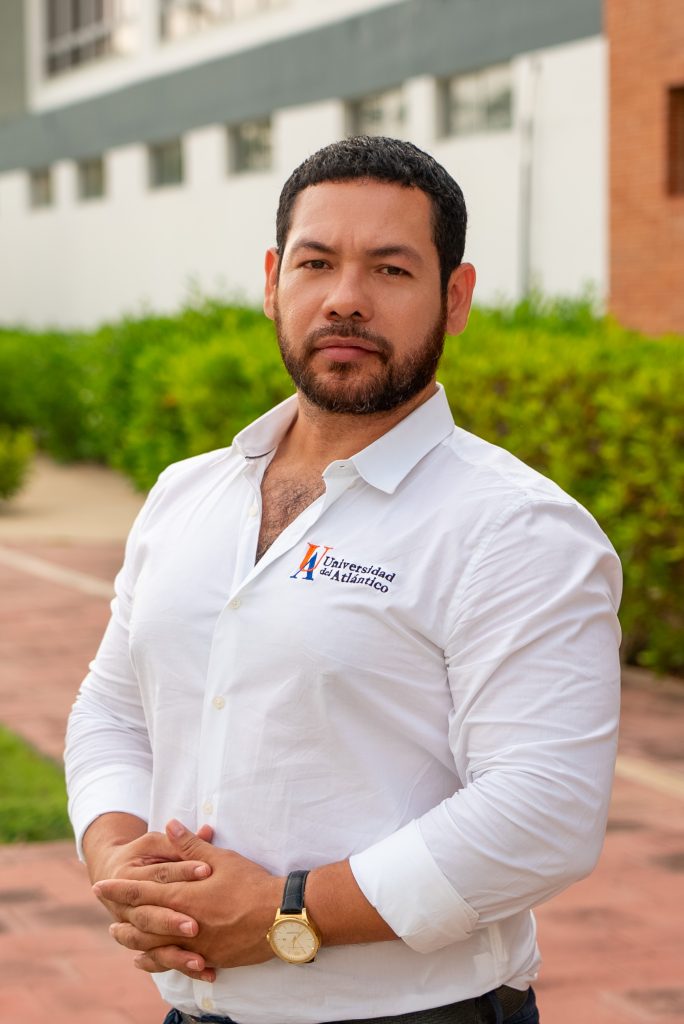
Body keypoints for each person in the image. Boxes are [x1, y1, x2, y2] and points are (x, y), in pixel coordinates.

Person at [65, 135, 622, 1024]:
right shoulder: (186, 494)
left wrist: (286, 912)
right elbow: (113, 710)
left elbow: (542, 811)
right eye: (316, 263)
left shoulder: (515, 528)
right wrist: (119, 859)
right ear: (272, 281)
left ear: (455, 297)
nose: (345, 299)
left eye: (391, 270)